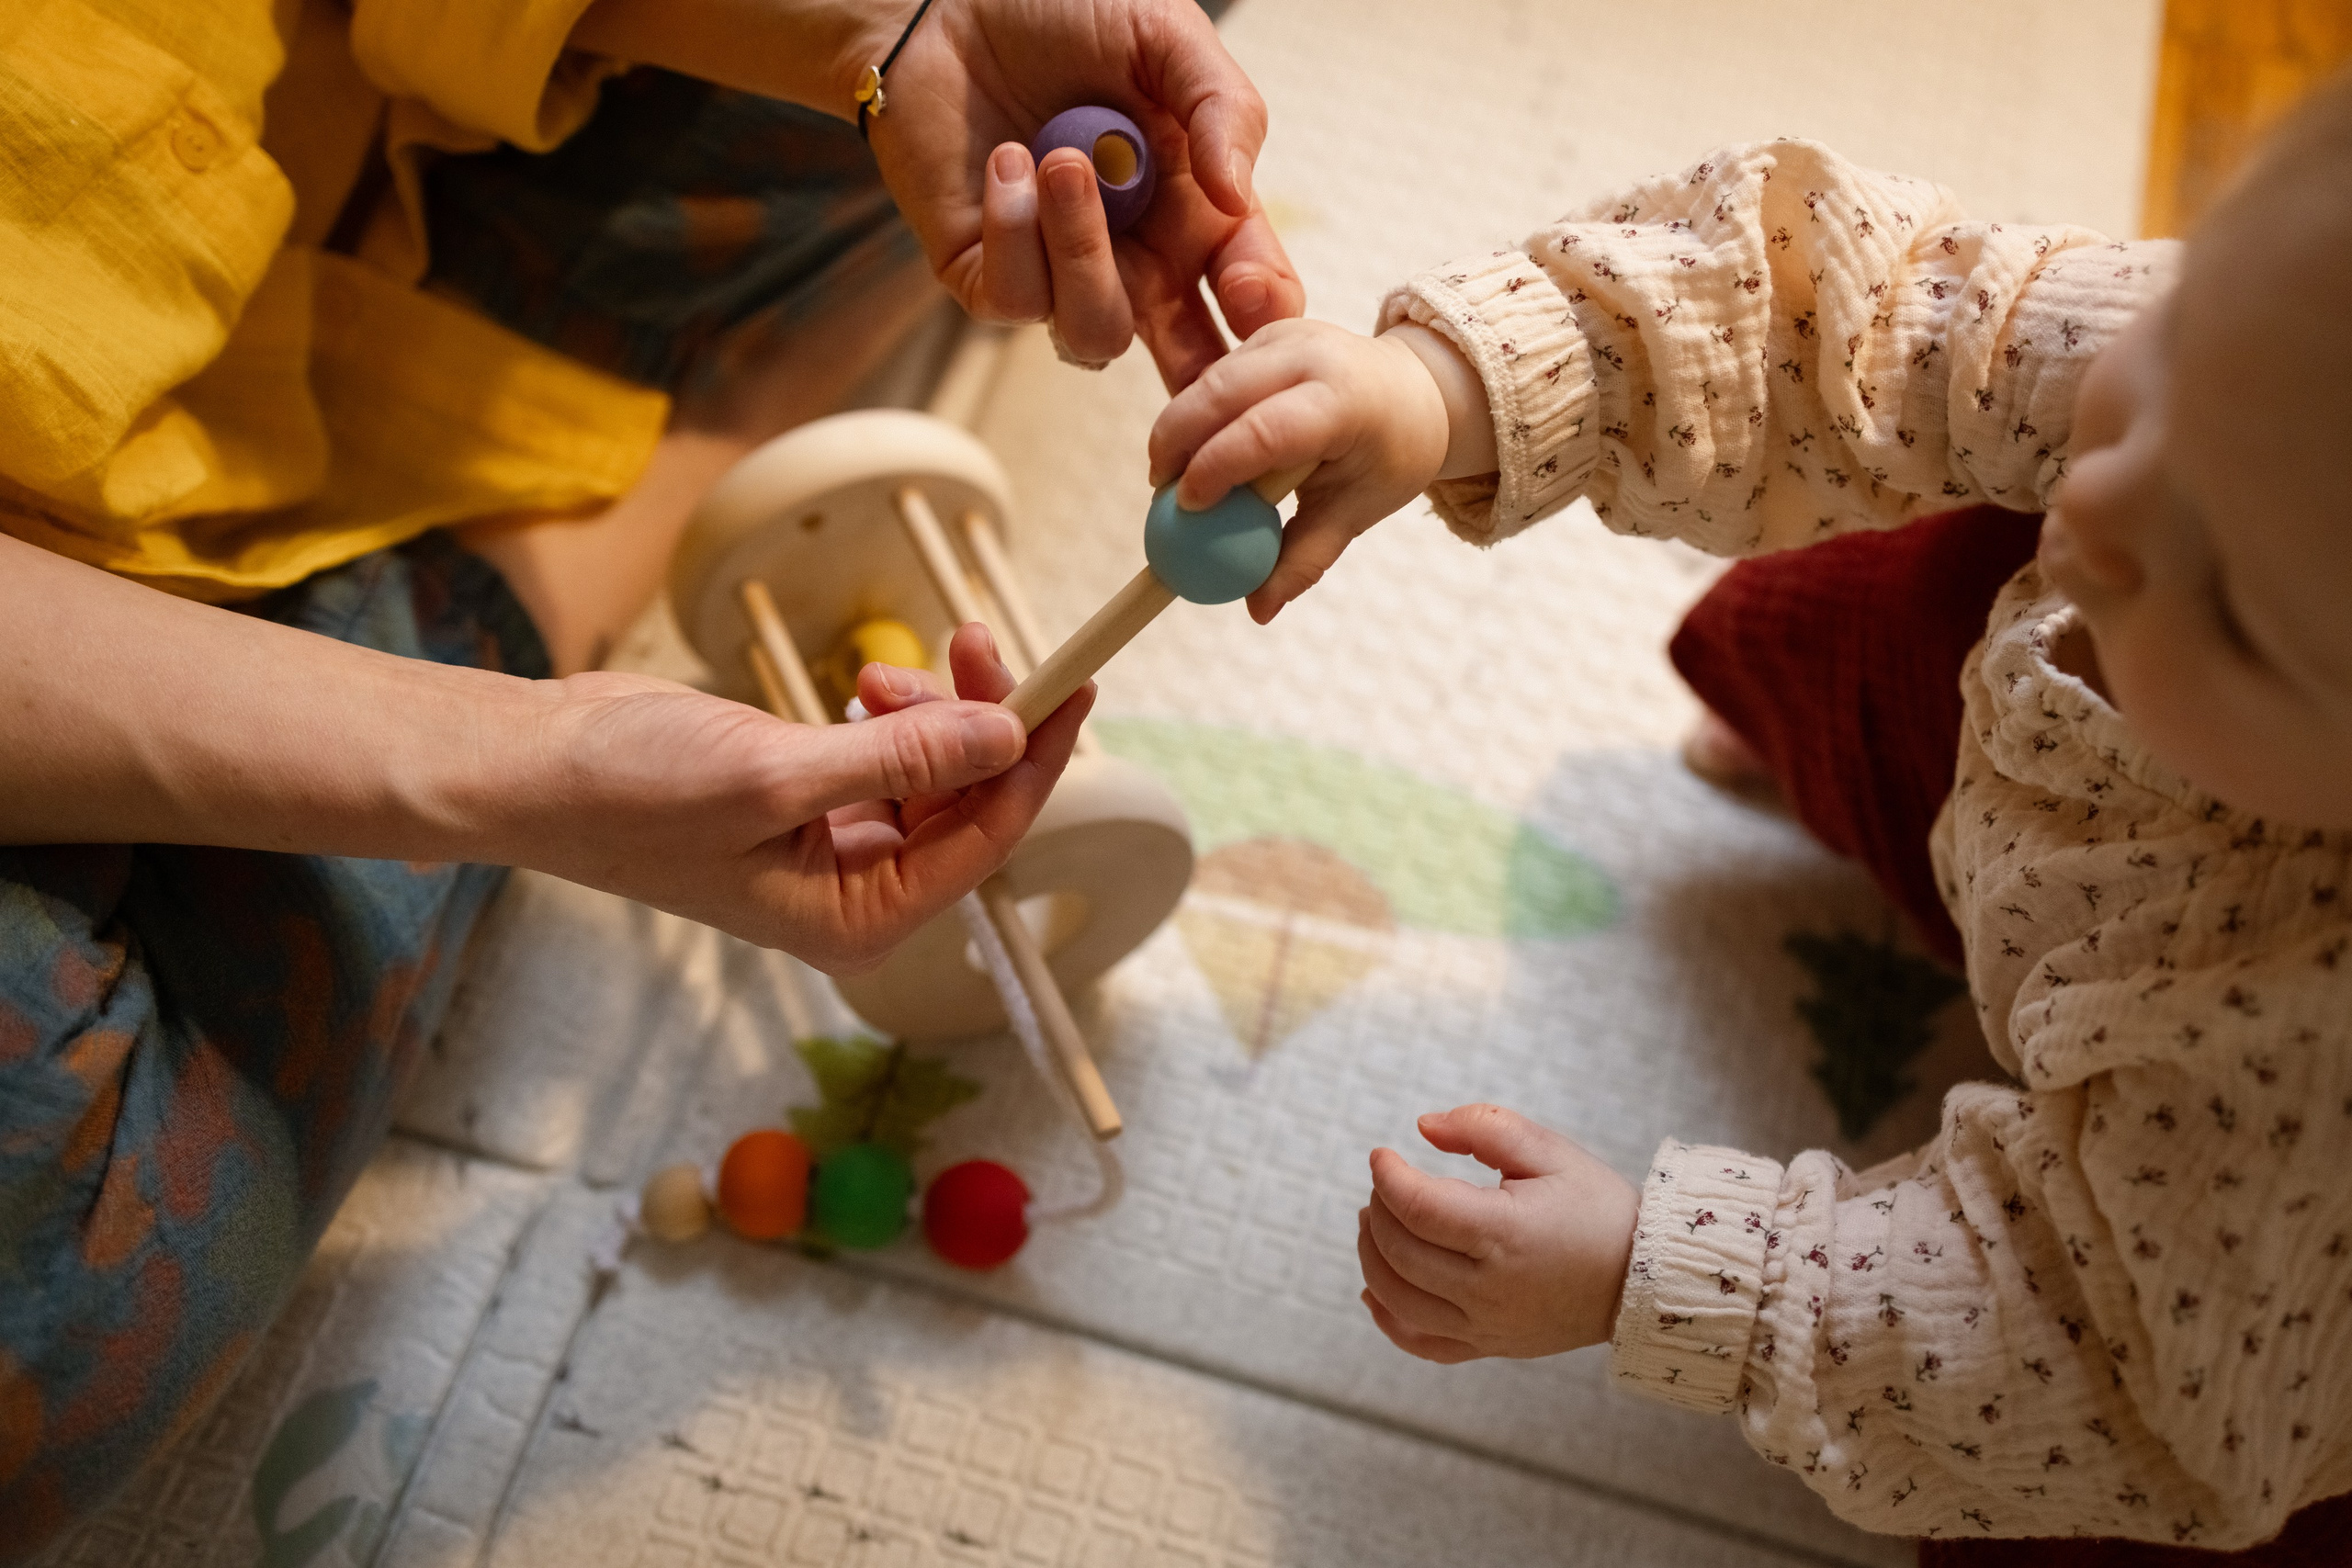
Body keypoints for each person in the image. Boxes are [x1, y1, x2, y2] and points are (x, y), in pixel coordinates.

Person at [0, 0, 1299, 1552]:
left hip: (352, 145)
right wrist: (524, 760)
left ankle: (544, 491)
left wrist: (890, 34)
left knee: (1086, 74)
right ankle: (549, 544)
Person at [1147, 71, 2352, 1556]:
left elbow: (2094, 1358)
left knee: (2084, 1509)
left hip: (2238, 1301)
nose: (2101, 505)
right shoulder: (2280, 370)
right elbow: (1851, 314)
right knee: (1879, 576)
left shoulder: (2308, 1095)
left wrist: (1660, 1276)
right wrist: (1447, 392)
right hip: (2087, 794)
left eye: (2230, 603)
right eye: (2172, 346)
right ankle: (1940, 735)